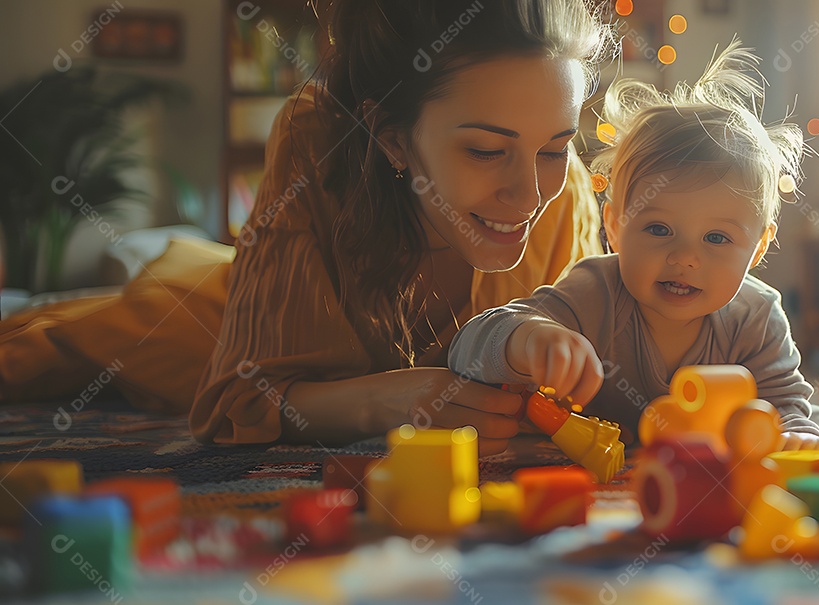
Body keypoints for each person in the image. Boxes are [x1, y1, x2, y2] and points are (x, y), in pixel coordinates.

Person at [448, 41, 819, 467]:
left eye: (716, 239)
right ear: (614, 226)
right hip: (607, 455)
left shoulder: (756, 314)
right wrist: (527, 337)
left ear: (759, 247)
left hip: (714, 456)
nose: (685, 258)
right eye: (659, 229)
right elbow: (467, 348)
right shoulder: (594, 292)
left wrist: (796, 439)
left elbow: (784, 404)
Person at [190, 0, 617, 455]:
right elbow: (235, 402)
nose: (531, 198)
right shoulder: (316, 138)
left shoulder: (564, 190)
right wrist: (395, 400)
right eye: (487, 150)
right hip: (203, 313)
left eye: (555, 149)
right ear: (392, 139)